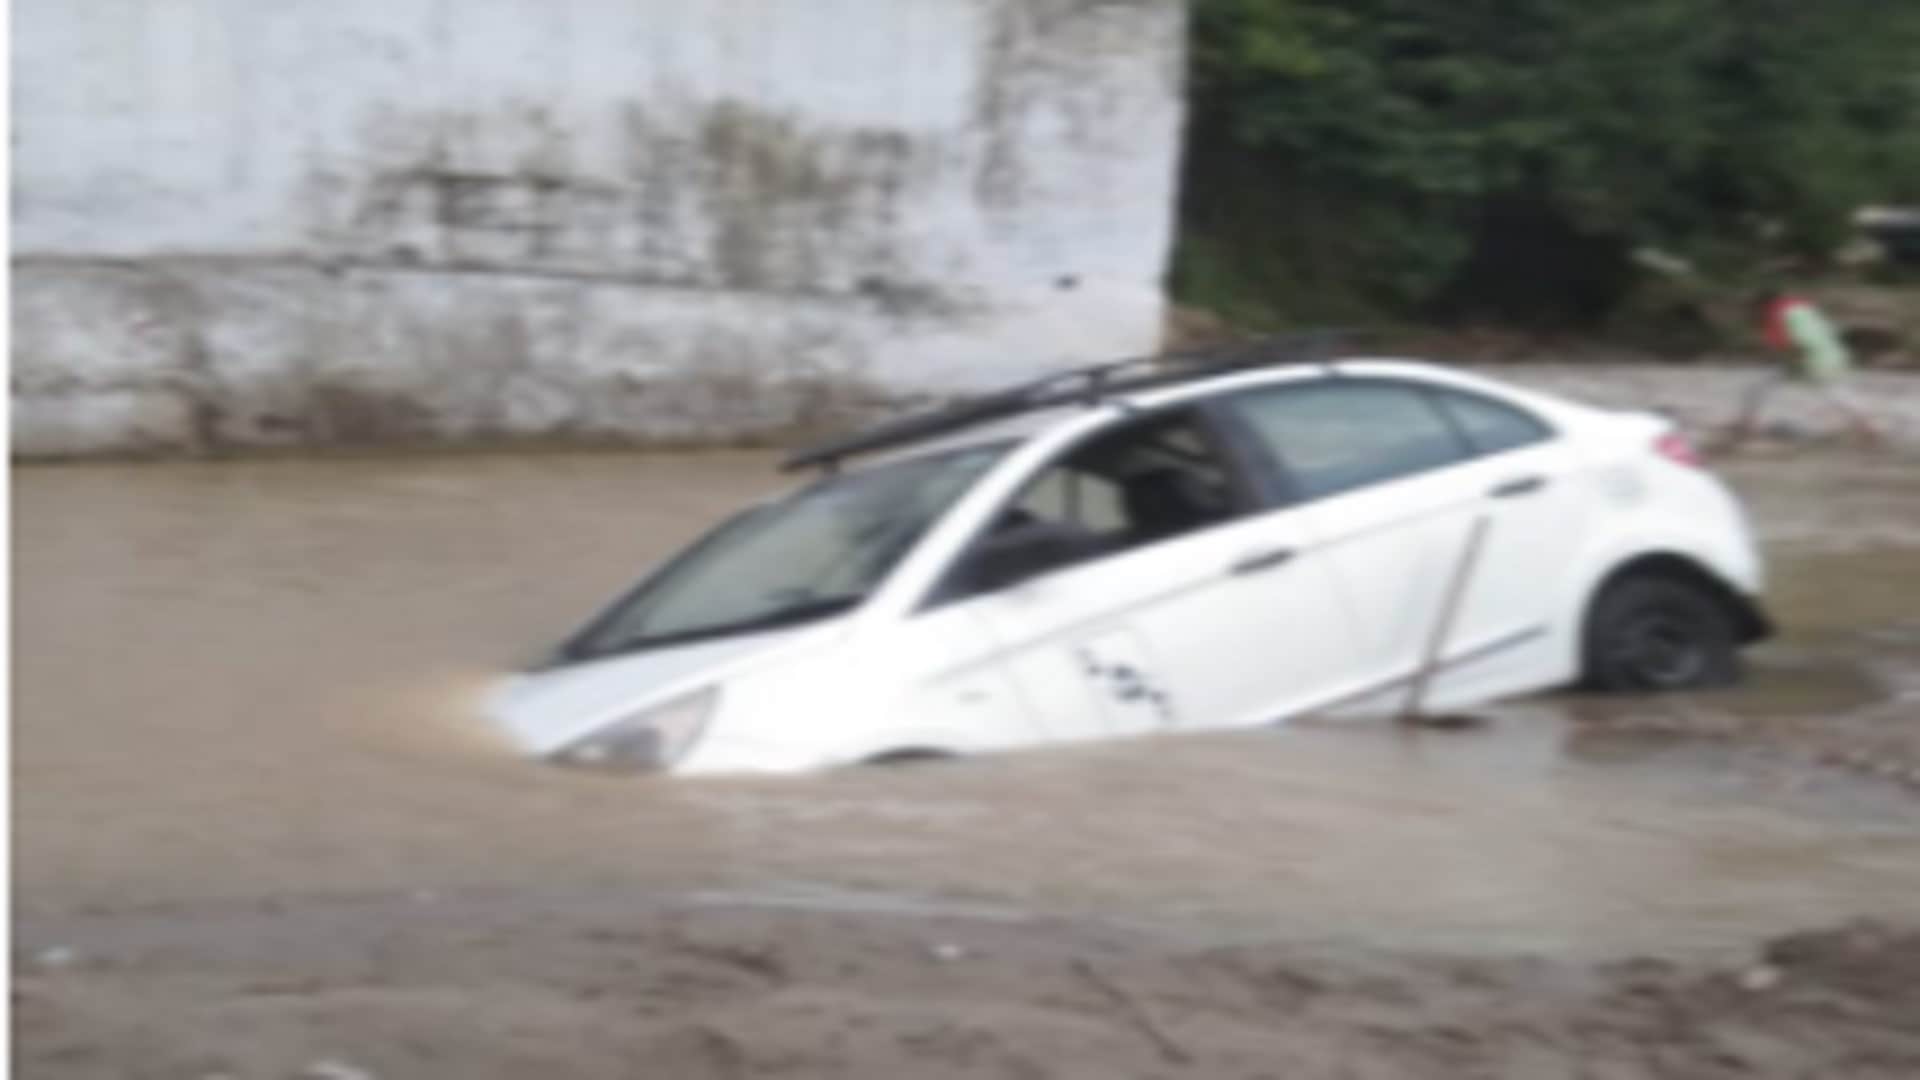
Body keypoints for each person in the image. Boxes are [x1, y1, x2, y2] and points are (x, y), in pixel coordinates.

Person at [1725, 289, 1885, 448]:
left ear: (1763, 305)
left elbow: (1797, 342)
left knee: (1835, 393)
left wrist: (1786, 355)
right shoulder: (1799, 309)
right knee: (1759, 387)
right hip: (1820, 357)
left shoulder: (1780, 314)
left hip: (1814, 360)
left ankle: (1870, 427)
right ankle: (1745, 424)